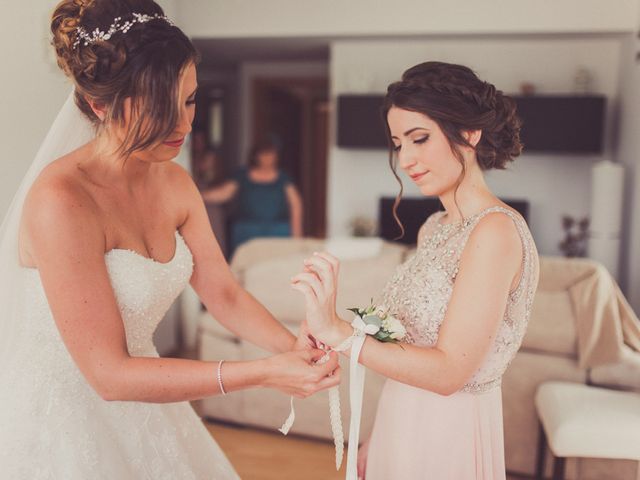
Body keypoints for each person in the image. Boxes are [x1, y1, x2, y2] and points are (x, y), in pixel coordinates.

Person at [0, 1, 339, 478]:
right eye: (162, 107)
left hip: (149, 399)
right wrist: (263, 373)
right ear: (100, 105)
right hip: (66, 414)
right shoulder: (62, 201)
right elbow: (109, 375)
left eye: (190, 100)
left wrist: (291, 349)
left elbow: (222, 293)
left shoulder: (175, 183)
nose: (184, 125)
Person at [292, 61, 540, 479]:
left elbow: (447, 373)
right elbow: (409, 348)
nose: (405, 159)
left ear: (469, 133)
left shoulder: (496, 232)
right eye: (397, 143)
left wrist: (340, 332)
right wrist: (377, 434)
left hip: (450, 437)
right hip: (400, 418)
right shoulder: (434, 227)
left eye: (419, 139)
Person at [202, 139, 303, 255]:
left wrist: (297, 238)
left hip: (277, 232)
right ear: (256, 156)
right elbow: (224, 193)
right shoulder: (242, 175)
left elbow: (296, 206)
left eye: (270, 154)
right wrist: (198, 195)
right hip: (247, 232)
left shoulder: (284, 178)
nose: (267, 158)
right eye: (263, 154)